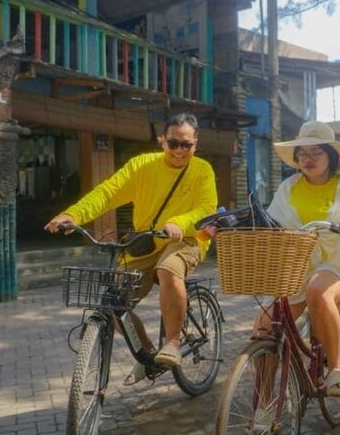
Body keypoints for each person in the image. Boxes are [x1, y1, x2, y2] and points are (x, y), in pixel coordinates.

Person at [45, 113, 217, 373]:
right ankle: (148, 352)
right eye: (174, 144)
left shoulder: (202, 170)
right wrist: (73, 215)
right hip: (147, 242)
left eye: (187, 145)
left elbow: (205, 210)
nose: (180, 151)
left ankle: (171, 342)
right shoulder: (142, 166)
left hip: (188, 238)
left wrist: (178, 224)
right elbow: (107, 193)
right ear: (162, 141)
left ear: (195, 144)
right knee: (113, 302)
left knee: (168, 268)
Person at [265, 121, 340, 396]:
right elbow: (269, 220)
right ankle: (262, 404)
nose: (308, 159)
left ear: (331, 156)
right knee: (264, 329)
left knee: (317, 288)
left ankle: (335, 367)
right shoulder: (288, 187)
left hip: (335, 263)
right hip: (296, 262)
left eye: (316, 152)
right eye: (302, 153)